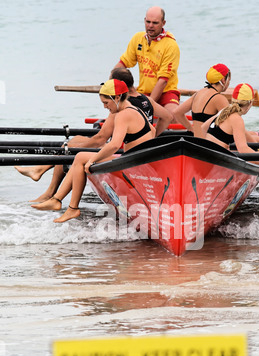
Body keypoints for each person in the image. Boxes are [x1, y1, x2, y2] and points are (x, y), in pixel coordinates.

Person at [15, 69, 171, 204]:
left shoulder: (122, 107)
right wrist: (151, 138)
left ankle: (51, 191)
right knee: (75, 140)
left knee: (73, 149)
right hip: (135, 149)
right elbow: (167, 117)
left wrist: (75, 151)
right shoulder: (146, 100)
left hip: (122, 151)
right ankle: (43, 174)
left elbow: (101, 139)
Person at [31, 79, 155, 222]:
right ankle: (59, 201)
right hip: (137, 158)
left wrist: (93, 160)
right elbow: (152, 129)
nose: (104, 107)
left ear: (117, 97)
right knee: (81, 157)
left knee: (81, 157)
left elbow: (114, 145)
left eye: (106, 103)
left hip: (133, 162)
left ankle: (69, 207)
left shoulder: (123, 114)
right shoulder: (135, 109)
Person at [113, 6, 180, 117]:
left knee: (173, 116)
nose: (150, 26)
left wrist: (147, 104)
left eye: (155, 23)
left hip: (166, 92)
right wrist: (110, 82)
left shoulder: (171, 45)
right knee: (117, 112)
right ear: (144, 20)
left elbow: (163, 81)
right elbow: (123, 64)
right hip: (143, 92)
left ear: (163, 23)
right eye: (148, 22)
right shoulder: (137, 38)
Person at [174, 63, 232, 138]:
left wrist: (190, 128)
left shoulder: (198, 94)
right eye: (229, 80)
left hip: (196, 143)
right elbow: (231, 124)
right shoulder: (219, 98)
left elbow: (177, 112)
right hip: (209, 146)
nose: (229, 84)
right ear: (223, 80)